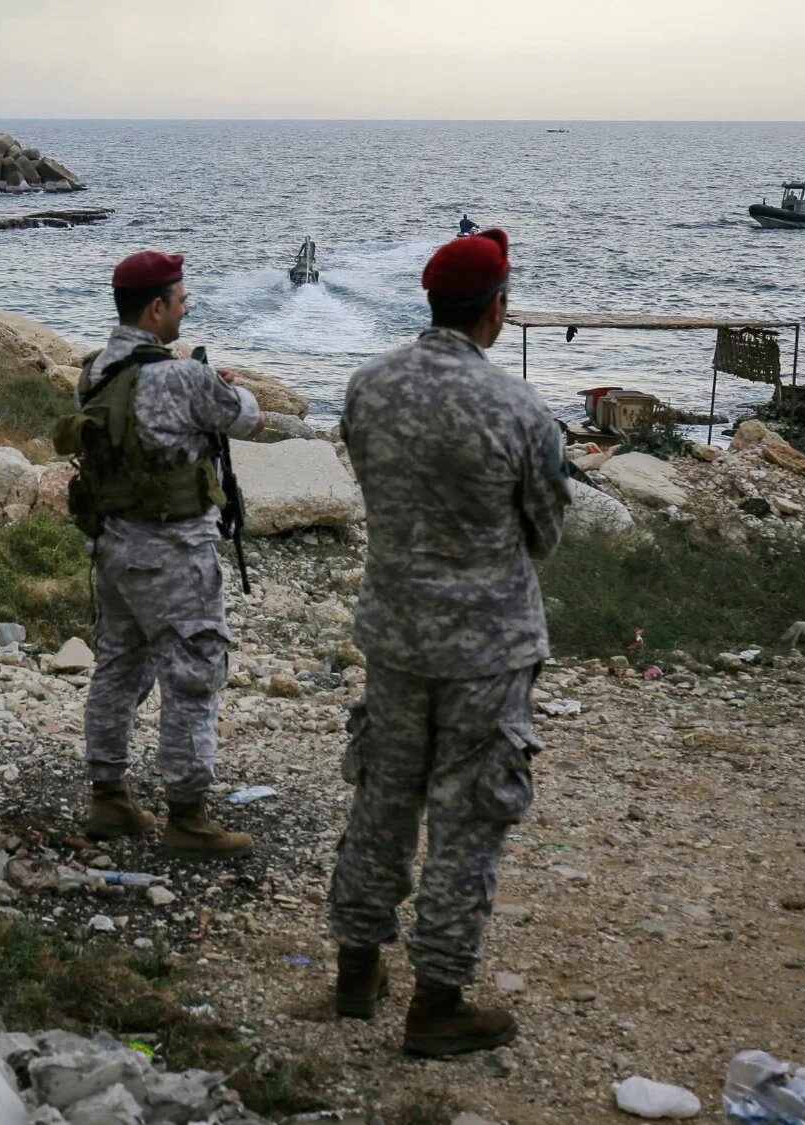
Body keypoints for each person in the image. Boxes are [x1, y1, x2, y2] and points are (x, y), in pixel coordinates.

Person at [326, 228, 570, 1057]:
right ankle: (437, 1002)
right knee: (468, 821)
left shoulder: (368, 387)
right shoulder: (520, 410)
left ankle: (355, 975)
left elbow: (370, 482)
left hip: (395, 635)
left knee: (382, 800)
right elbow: (545, 531)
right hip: (486, 648)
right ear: (496, 310)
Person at [71, 250, 265, 858]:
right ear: (156, 309)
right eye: (181, 303)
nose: (185, 311)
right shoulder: (180, 377)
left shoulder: (95, 371)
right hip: (175, 551)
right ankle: (188, 815)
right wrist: (227, 384)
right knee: (193, 674)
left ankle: (109, 795)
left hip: (114, 546)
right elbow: (247, 419)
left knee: (119, 667)